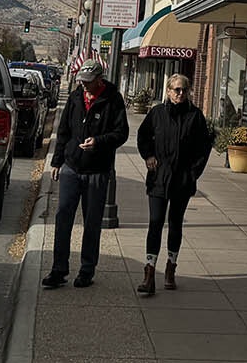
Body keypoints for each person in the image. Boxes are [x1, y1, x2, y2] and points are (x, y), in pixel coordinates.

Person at [43, 60, 128, 289]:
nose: (84, 86)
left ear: (100, 80)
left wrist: (99, 142)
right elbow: (64, 131)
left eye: (89, 82)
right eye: (82, 81)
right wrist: (57, 160)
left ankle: (86, 270)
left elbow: (121, 133)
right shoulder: (75, 97)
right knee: (63, 218)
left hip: (97, 171)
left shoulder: (113, 99)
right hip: (72, 167)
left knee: (91, 223)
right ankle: (58, 270)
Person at [135, 73, 210, 295]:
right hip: (159, 177)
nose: (180, 93)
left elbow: (203, 149)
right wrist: (148, 155)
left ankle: (170, 267)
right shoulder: (157, 113)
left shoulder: (195, 117)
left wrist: (192, 173)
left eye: (184, 90)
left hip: (181, 180)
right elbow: (143, 136)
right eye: (176, 90)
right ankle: (149, 272)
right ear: (168, 91)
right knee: (155, 221)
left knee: (175, 223)